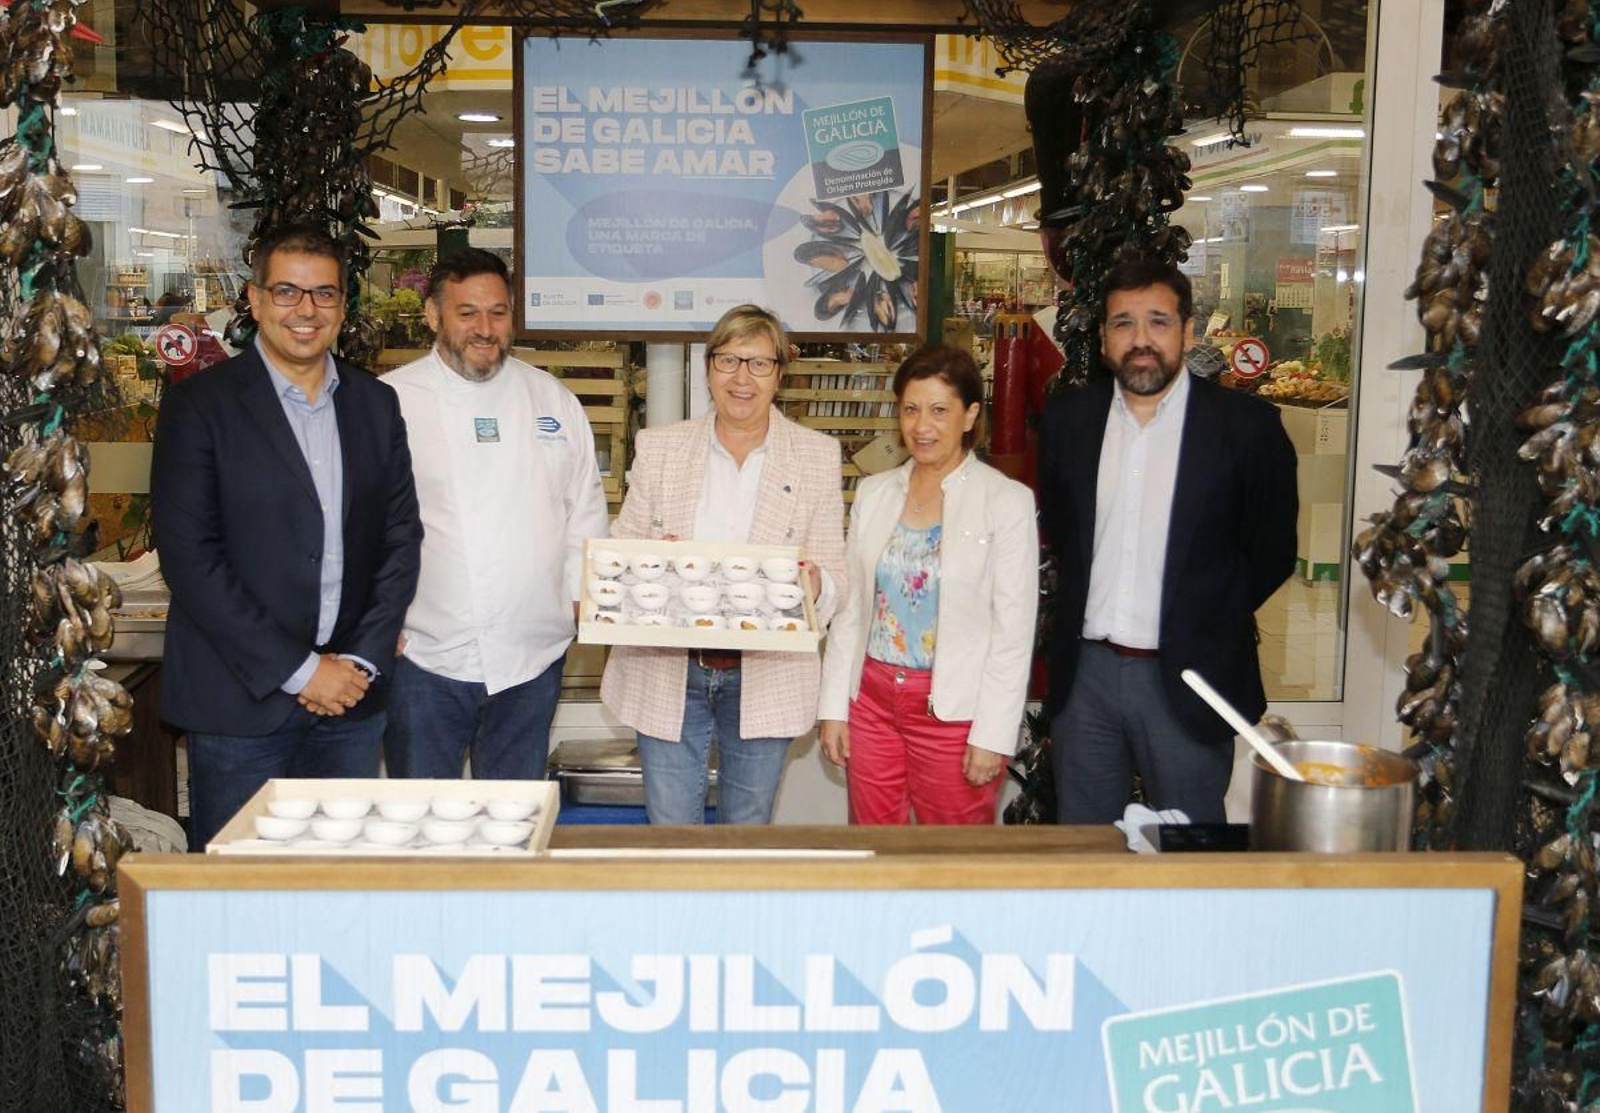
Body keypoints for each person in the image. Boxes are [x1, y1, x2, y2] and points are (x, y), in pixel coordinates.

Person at [151, 223, 422, 849]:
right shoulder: (201, 406)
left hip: (351, 704)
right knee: (241, 908)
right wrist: (302, 672)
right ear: (254, 300)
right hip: (240, 707)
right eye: (288, 292)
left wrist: (356, 662)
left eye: (324, 294)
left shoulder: (374, 403)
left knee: (340, 898)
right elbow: (191, 558)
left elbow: (401, 538)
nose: (306, 311)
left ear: (343, 304)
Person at [1038, 256, 1298, 824]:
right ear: (1104, 337)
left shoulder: (1247, 428)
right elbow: (1062, 530)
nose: (1141, 340)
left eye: (1158, 321)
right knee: (1087, 852)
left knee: (1190, 856)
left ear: (1186, 330)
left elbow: (1273, 549)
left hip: (1190, 676)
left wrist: (1205, 614)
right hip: (1088, 680)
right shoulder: (1068, 423)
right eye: (1123, 323)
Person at [600, 304, 847, 824]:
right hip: (670, 668)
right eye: (729, 360)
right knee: (671, 835)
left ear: (780, 373)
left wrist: (817, 583)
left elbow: (838, 576)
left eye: (759, 363)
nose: (742, 378)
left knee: (747, 836)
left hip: (766, 672)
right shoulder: (661, 447)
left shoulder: (815, 456)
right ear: (709, 367)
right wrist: (648, 562)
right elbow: (621, 549)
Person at [382, 249, 608, 781]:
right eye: (467, 313)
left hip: (532, 657)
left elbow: (584, 512)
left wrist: (583, 601)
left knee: (514, 825)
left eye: (498, 313)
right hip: (424, 657)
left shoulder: (551, 399)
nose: (485, 329)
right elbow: (361, 524)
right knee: (422, 827)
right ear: (433, 316)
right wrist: (376, 620)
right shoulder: (390, 400)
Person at [817, 345, 1038, 824]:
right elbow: (852, 613)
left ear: (969, 415)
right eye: (911, 409)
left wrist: (993, 734)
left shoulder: (1005, 502)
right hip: (872, 704)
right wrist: (834, 706)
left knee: (951, 863)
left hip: (955, 715)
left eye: (940, 411)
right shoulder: (876, 494)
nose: (922, 426)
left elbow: (1013, 634)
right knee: (873, 851)